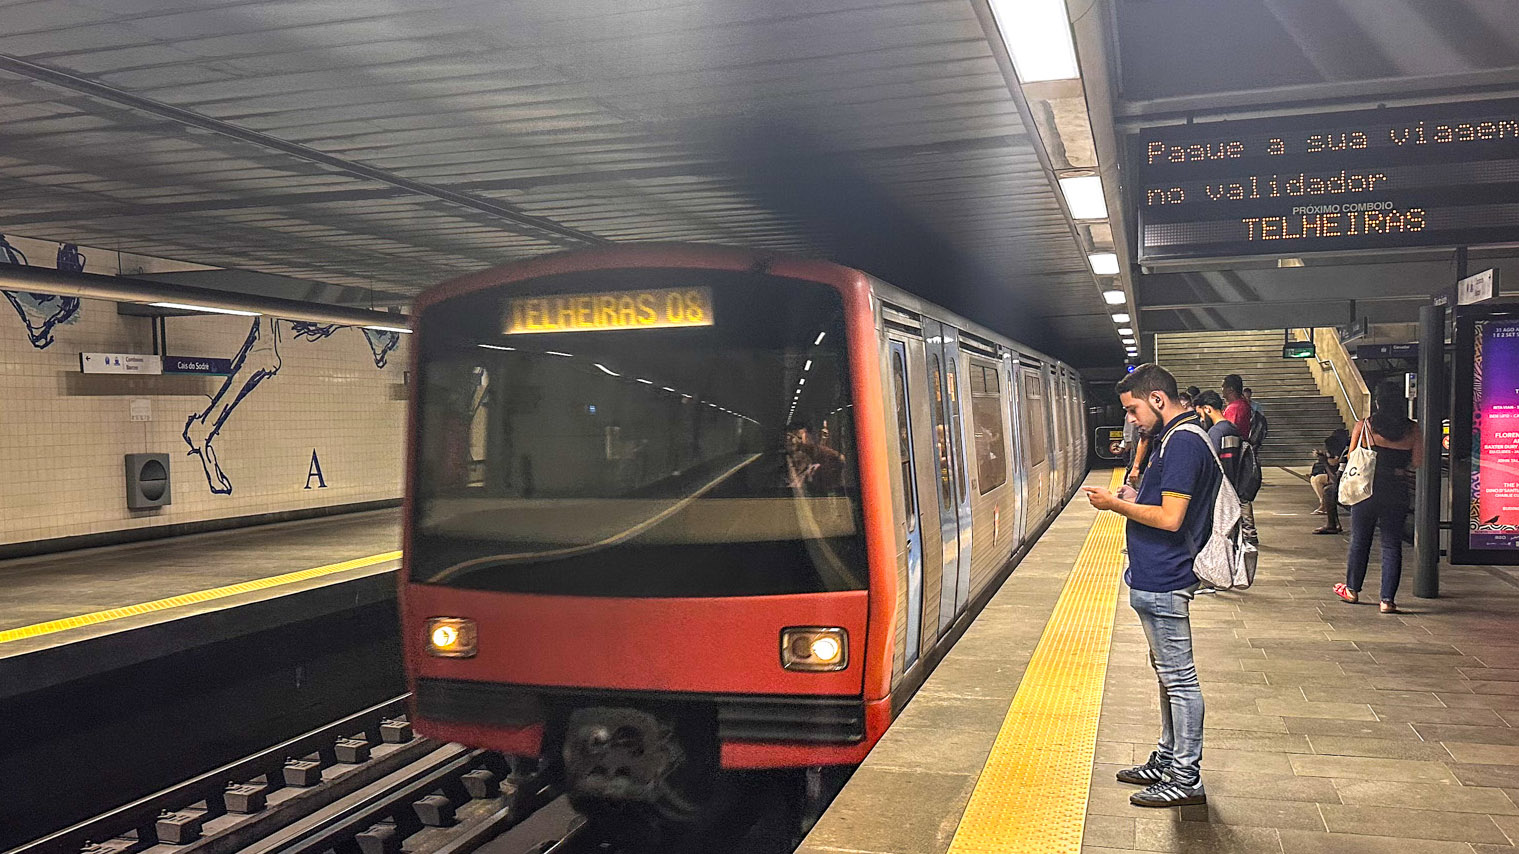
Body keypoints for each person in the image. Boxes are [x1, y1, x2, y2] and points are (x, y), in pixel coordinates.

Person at [1084, 364, 1219, 808]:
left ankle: (1186, 775)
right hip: (1155, 573)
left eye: (1135, 410)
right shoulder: (1176, 437)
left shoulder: (1182, 443)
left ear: (1158, 399)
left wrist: (1113, 506)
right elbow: (1161, 503)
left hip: (1166, 577)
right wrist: (1134, 498)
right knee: (1168, 676)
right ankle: (1167, 759)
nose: (1133, 421)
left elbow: (1170, 518)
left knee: (1179, 680)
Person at [1334, 382, 1421, 613]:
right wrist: (1397, 467)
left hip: (1367, 491)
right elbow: (1417, 462)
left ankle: (1352, 589)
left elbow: (1353, 455)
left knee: (1360, 540)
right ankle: (1387, 600)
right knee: (1392, 545)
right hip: (1397, 492)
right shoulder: (1413, 430)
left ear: (1378, 403)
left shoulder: (1365, 426)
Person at [1311, 427, 1351, 534]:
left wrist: (1324, 462)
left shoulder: (1346, 455)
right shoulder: (1346, 452)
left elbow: (1335, 480)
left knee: (1329, 490)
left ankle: (1331, 524)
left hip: (1356, 485)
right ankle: (1334, 523)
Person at [784, 422, 845, 492]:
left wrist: (808, 446)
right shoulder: (781, 462)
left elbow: (840, 458)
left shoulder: (815, 458)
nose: (794, 441)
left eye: (799, 438)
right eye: (789, 437)